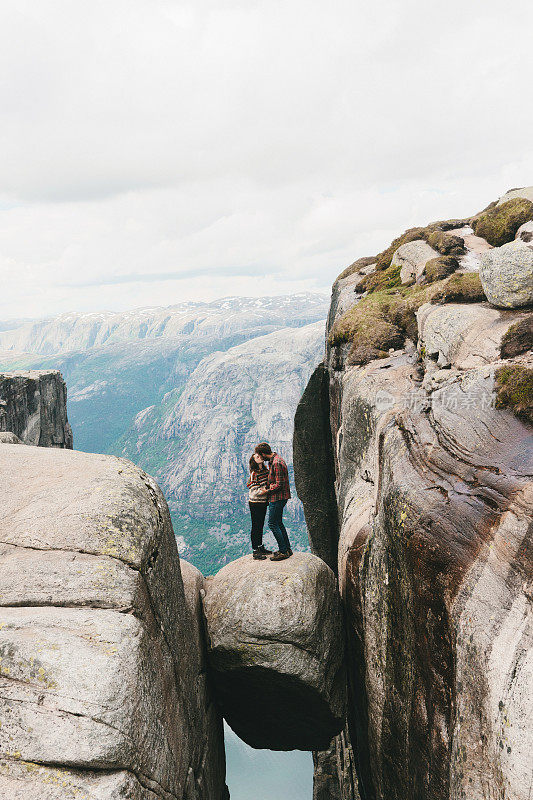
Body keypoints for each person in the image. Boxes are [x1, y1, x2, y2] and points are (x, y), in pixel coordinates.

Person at [254, 442, 292, 561]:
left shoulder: (277, 463)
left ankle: (283, 551)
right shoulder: (275, 461)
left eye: (260, 455)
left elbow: (279, 484)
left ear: (264, 454)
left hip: (278, 497)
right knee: (279, 523)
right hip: (279, 497)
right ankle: (287, 549)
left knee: (272, 524)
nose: (260, 458)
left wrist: (266, 491)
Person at [247, 453, 273, 560]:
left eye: (260, 456)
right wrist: (267, 490)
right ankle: (255, 551)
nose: (260, 457)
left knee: (260, 524)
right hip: (255, 502)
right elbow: (254, 491)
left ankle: (260, 546)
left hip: (263, 502)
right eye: (257, 457)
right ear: (254, 461)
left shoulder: (265, 471)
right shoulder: (254, 474)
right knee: (256, 526)